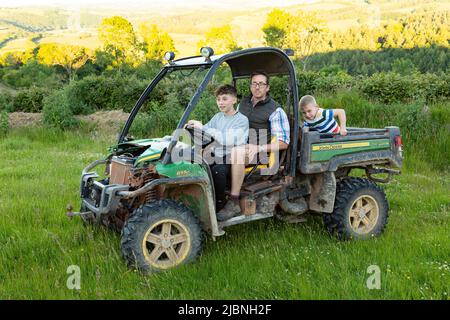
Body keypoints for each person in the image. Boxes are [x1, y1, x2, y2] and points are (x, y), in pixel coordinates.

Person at [216, 71, 290, 221]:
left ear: (267, 87)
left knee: (236, 153)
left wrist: (259, 148)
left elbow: (283, 142)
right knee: (213, 159)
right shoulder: (244, 103)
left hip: (261, 152)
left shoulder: (276, 110)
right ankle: (216, 199)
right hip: (240, 145)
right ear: (250, 86)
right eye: (254, 83)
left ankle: (234, 201)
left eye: (261, 84)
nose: (257, 87)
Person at [186, 84, 249, 212]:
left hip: (233, 156)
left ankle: (219, 205)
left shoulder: (241, 120)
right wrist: (194, 129)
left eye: (224, 99)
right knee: (193, 163)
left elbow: (227, 140)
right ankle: (195, 199)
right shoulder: (218, 117)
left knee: (217, 171)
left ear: (234, 100)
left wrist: (202, 127)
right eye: (218, 99)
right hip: (217, 153)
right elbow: (207, 132)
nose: (220, 103)